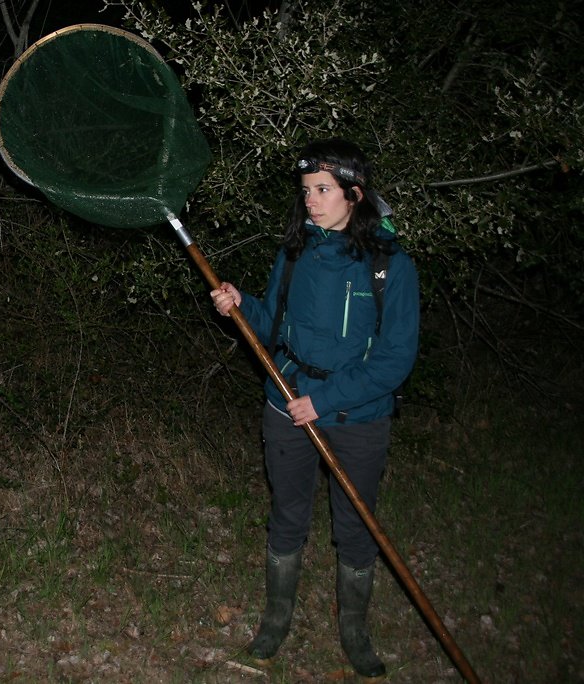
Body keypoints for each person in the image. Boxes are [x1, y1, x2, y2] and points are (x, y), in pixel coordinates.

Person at [211, 139, 419, 679]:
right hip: (285, 405)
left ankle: (354, 631)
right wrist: (240, 305)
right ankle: (275, 619)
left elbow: (395, 360)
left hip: (358, 419)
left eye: (323, 190)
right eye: (306, 191)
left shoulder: (390, 267)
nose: (311, 201)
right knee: (287, 517)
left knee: (355, 528)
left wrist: (322, 400)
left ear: (355, 194)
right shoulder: (296, 251)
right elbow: (274, 324)